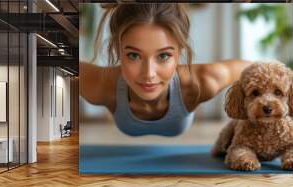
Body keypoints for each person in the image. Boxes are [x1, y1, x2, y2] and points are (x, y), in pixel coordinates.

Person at [80, 3, 252, 137]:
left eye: (163, 56)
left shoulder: (202, 81)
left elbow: (265, 69)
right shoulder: (101, 85)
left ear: (179, 52)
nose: (148, 74)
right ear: (117, 50)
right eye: (133, 55)